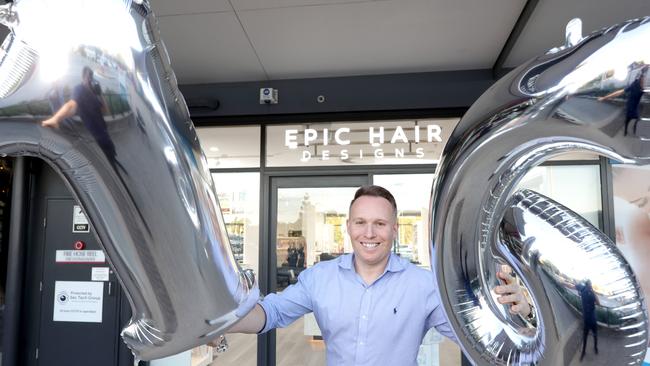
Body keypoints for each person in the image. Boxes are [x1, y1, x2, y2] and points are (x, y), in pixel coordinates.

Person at [220, 185, 532, 365]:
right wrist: (218, 320)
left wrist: (522, 312)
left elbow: (480, 341)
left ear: (394, 230)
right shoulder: (319, 278)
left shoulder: (423, 286)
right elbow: (269, 313)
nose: (369, 233)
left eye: (380, 224)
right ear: (349, 227)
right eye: (360, 222)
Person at [42, 66, 119, 168]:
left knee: (111, 150)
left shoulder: (94, 92)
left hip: (103, 128)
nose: (90, 79)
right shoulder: (78, 89)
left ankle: (113, 161)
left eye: (91, 77)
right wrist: (55, 119)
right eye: (88, 77)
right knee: (105, 155)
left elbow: (106, 111)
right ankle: (111, 166)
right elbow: (71, 106)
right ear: (83, 77)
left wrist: (100, 94)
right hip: (93, 132)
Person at [599, 66, 647, 136]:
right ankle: (625, 131)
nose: (644, 81)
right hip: (630, 108)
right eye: (643, 78)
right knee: (628, 120)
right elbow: (619, 92)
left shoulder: (643, 89)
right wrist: (604, 98)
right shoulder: (634, 85)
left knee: (636, 120)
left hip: (635, 109)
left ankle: (633, 130)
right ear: (640, 78)